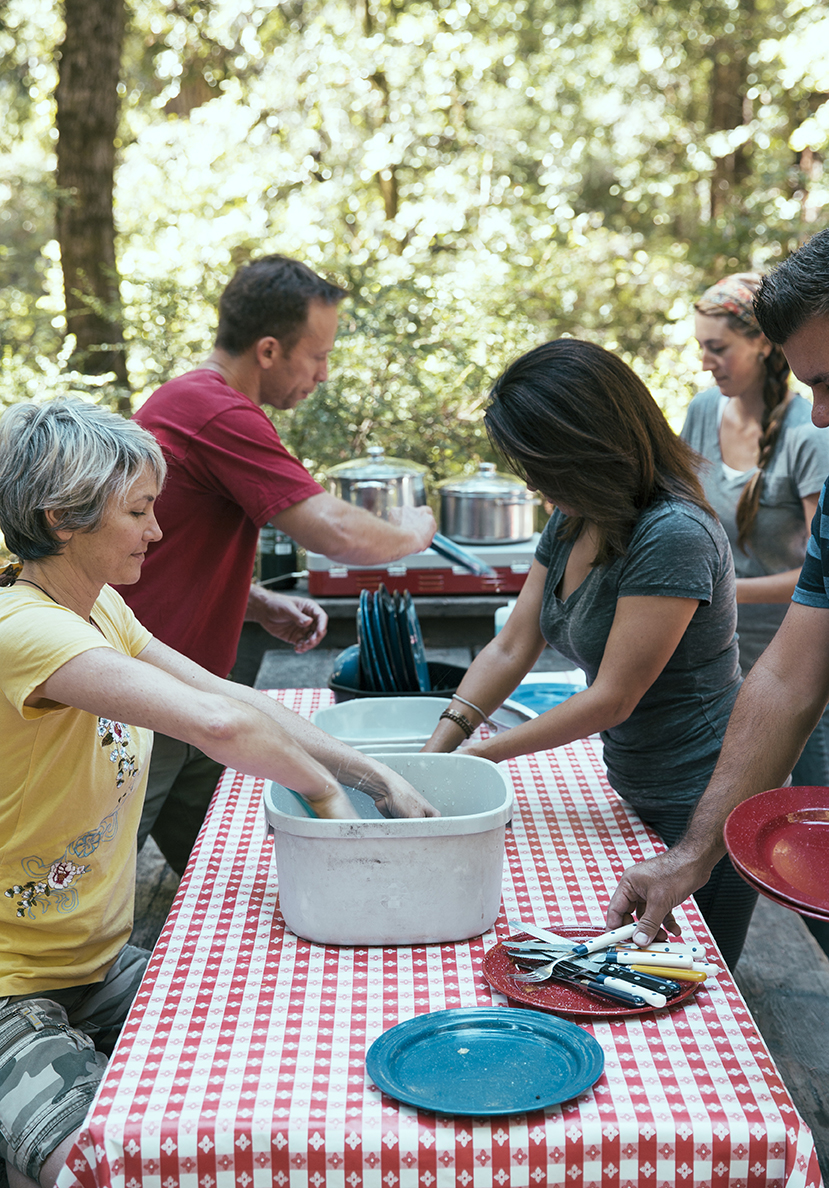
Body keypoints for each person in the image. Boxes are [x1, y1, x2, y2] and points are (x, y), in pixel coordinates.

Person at [0, 398, 437, 1188]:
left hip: (94, 965)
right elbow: (220, 725)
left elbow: (231, 695)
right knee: (104, 1168)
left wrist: (379, 778)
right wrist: (328, 802)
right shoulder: (24, 629)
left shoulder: (97, 606)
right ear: (63, 518)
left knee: (288, 1054)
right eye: (138, 511)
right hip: (10, 989)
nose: (157, 531)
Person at [421, 338, 757, 968]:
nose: (532, 484)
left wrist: (481, 756)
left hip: (705, 800)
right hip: (638, 783)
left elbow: (612, 699)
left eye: (539, 466)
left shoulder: (674, 533)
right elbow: (512, 645)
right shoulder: (574, 516)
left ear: (590, 449)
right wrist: (437, 749)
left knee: (685, 982)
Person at [117, 254, 437, 876]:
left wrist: (254, 601)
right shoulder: (214, 410)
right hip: (142, 696)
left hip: (192, 692)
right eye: (317, 356)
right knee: (94, 884)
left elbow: (165, 545)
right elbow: (332, 530)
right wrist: (411, 532)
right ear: (268, 350)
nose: (323, 374)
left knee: (228, 872)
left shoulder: (199, 404)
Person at [606, 227, 829, 949]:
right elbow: (788, 678)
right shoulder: (708, 413)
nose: (821, 414)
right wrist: (693, 855)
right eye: (810, 388)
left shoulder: (805, 441)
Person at [682, 272, 829, 785]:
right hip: (716, 660)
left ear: (763, 344)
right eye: (702, 347)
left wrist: (719, 589)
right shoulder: (703, 412)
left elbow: (817, 574)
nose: (706, 362)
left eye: (718, 347)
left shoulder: (808, 433)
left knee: (801, 799)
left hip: (793, 665)